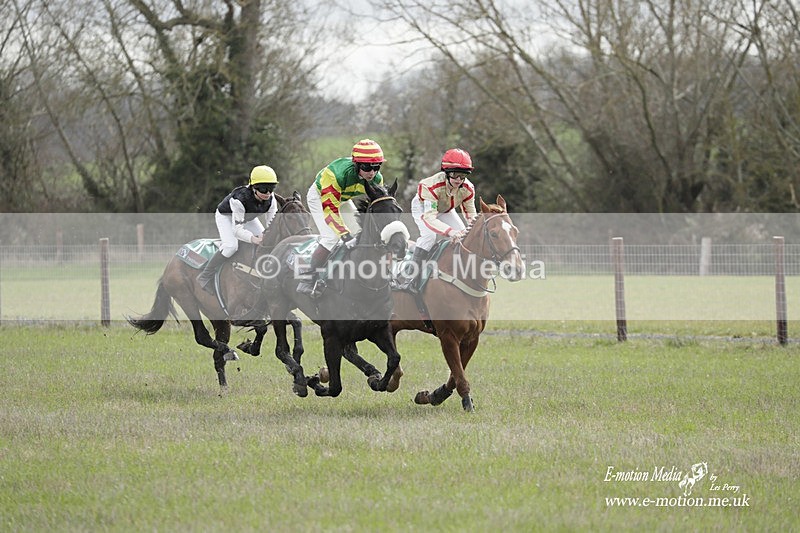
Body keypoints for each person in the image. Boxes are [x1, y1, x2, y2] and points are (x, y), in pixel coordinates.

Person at [297, 139, 385, 297]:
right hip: (320, 197)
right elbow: (330, 210)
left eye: (376, 167)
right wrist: (344, 234)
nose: (372, 172)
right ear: (357, 164)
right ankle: (307, 278)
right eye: (367, 167)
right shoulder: (336, 175)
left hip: (343, 199)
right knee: (332, 237)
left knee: (359, 234)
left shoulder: (377, 179)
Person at [399, 148, 477, 292]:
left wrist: (474, 229)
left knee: (463, 235)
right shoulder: (430, 185)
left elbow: (471, 214)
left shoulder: (468, 188)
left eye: (463, 175)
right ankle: (408, 276)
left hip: (446, 209)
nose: (458, 180)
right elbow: (430, 218)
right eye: (454, 174)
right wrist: (450, 232)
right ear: (446, 173)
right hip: (423, 209)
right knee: (429, 237)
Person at [197, 165, 279, 295]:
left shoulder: (271, 199)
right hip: (227, 217)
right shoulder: (239, 199)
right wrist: (253, 239)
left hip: (248, 217)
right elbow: (237, 230)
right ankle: (205, 275)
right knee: (231, 246)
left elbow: (271, 223)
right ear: (253, 187)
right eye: (264, 189)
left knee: (266, 241)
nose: (268, 193)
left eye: (271, 188)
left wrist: (267, 236)